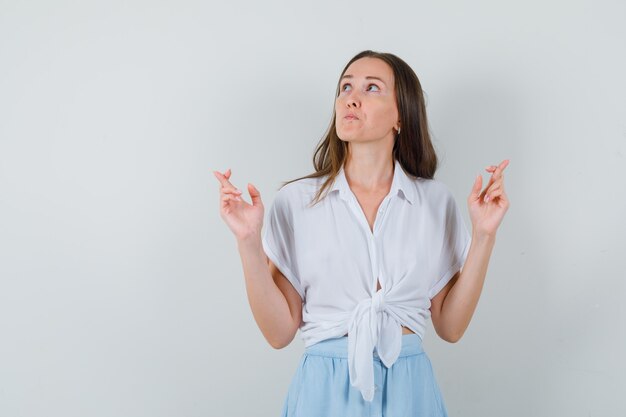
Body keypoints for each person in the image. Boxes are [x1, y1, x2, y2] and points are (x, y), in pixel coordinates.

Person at [213, 50, 510, 417]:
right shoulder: (296, 202)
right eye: (345, 87)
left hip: (409, 388)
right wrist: (248, 242)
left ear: (401, 115)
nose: (351, 97)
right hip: (325, 390)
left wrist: (484, 235)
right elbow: (278, 333)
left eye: (372, 88)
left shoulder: (434, 202)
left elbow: (450, 327)